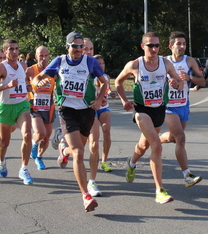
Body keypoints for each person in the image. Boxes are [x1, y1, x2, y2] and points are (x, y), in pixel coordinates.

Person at [33, 31, 107, 212]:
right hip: (67, 111)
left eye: (81, 46)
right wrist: (37, 82)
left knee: (75, 150)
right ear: (68, 47)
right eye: (75, 46)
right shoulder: (59, 61)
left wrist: (98, 101)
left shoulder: (90, 62)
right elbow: (38, 78)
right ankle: (85, 196)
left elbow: (104, 82)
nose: (79, 49)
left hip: (87, 111)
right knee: (80, 153)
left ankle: (63, 150)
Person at [115, 31, 185, 204]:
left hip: (159, 109)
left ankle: (131, 163)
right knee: (156, 145)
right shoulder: (134, 65)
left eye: (157, 45)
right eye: (150, 45)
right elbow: (118, 81)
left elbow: (179, 82)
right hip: (142, 110)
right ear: (143, 46)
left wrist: (176, 83)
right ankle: (159, 190)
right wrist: (124, 100)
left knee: (143, 145)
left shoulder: (165, 63)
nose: (154, 49)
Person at [0, 39, 34, 185]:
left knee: (27, 134)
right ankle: (1, 161)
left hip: (22, 105)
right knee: (4, 143)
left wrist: (28, 87)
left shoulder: (23, 65)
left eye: (16, 49)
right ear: (5, 51)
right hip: (5, 107)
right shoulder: (0, 68)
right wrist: (6, 86)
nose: (14, 51)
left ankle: (24, 168)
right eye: (11, 49)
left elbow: (24, 82)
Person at [159, 31, 205, 187]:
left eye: (184, 44)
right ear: (171, 46)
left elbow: (203, 81)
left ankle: (156, 139)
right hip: (168, 106)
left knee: (173, 138)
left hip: (183, 105)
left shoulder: (189, 61)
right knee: (181, 138)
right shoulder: (163, 62)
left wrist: (190, 78)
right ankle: (187, 175)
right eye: (179, 44)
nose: (182, 46)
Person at [87, 54, 117, 197]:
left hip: (104, 107)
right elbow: (98, 86)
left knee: (107, 130)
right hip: (93, 108)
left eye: (103, 63)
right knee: (93, 139)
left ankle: (104, 161)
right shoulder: (91, 76)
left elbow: (107, 87)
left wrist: (110, 93)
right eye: (98, 63)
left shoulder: (106, 76)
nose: (101, 65)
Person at [26, 46, 56, 170]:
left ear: (49, 56)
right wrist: (27, 87)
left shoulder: (54, 70)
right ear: (36, 57)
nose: (43, 58)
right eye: (41, 56)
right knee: (40, 133)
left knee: (46, 138)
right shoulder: (30, 70)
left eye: (46, 55)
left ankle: (39, 156)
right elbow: (22, 84)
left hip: (49, 105)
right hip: (34, 105)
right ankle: (34, 144)